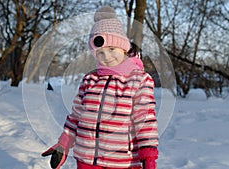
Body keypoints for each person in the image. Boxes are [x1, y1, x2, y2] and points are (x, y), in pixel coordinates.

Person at [41, 6, 159, 169]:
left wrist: (149, 158)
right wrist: (63, 145)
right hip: (86, 159)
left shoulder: (138, 80)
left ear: (124, 47)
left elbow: (145, 120)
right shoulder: (90, 80)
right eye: (100, 53)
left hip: (122, 162)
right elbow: (76, 117)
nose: (107, 57)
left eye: (111, 49)